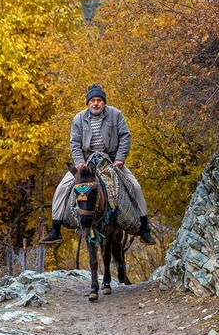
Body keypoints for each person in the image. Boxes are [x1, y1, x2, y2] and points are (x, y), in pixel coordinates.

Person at [40, 84, 155, 245]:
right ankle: (56, 229)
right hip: (86, 162)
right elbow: (74, 143)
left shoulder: (116, 115)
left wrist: (120, 158)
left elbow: (125, 137)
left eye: (99, 100)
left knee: (135, 187)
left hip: (111, 160)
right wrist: (79, 163)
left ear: (104, 103)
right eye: (92, 100)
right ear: (88, 103)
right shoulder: (78, 119)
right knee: (62, 188)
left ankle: (144, 228)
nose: (96, 103)